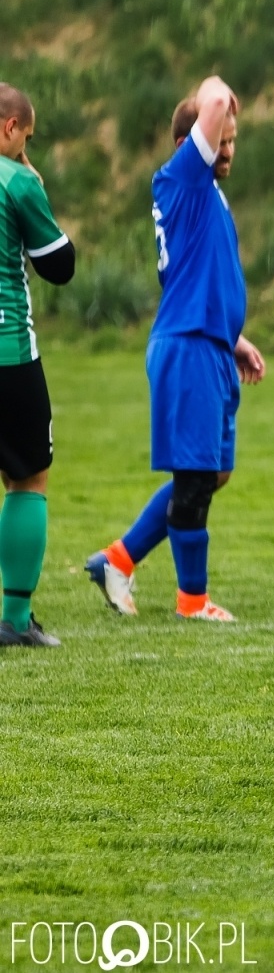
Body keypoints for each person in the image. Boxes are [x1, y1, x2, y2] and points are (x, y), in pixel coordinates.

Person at [85, 77, 264, 625]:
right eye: (223, 139)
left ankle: (116, 560)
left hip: (207, 342)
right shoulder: (185, 176)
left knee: (211, 474)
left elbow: (197, 276)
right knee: (194, 479)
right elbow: (211, 99)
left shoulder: (204, 193)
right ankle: (192, 601)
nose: (229, 149)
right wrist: (222, 94)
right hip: (188, 348)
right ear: (198, 141)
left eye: (234, 141)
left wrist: (233, 337)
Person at [0, 84, 77, 648]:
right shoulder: (18, 182)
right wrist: (36, 187)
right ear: (10, 128)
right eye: (27, 135)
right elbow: (60, 266)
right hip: (9, 355)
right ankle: (16, 620)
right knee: (28, 477)